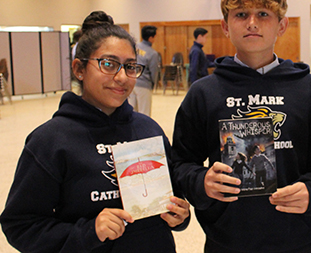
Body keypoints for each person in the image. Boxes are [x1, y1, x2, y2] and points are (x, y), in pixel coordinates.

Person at [171, 0, 311, 253]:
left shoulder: (308, 89)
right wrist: (202, 181)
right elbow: (181, 164)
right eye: (241, 14)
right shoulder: (203, 93)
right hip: (228, 239)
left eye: (263, 14)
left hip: (295, 238)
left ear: (282, 25)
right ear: (225, 25)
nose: (252, 23)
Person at [0, 24, 190, 252]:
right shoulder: (50, 141)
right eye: (108, 64)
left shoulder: (148, 129)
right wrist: (89, 232)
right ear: (79, 69)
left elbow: (173, 198)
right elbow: (20, 226)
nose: (121, 77)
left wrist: (180, 215)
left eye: (130, 67)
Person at [128, 25, 160, 116]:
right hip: (144, 85)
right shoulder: (152, 53)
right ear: (151, 38)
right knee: (144, 113)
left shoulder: (133, 47)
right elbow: (154, 71)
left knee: (131, 112)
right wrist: (154, 84)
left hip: (131, 82)